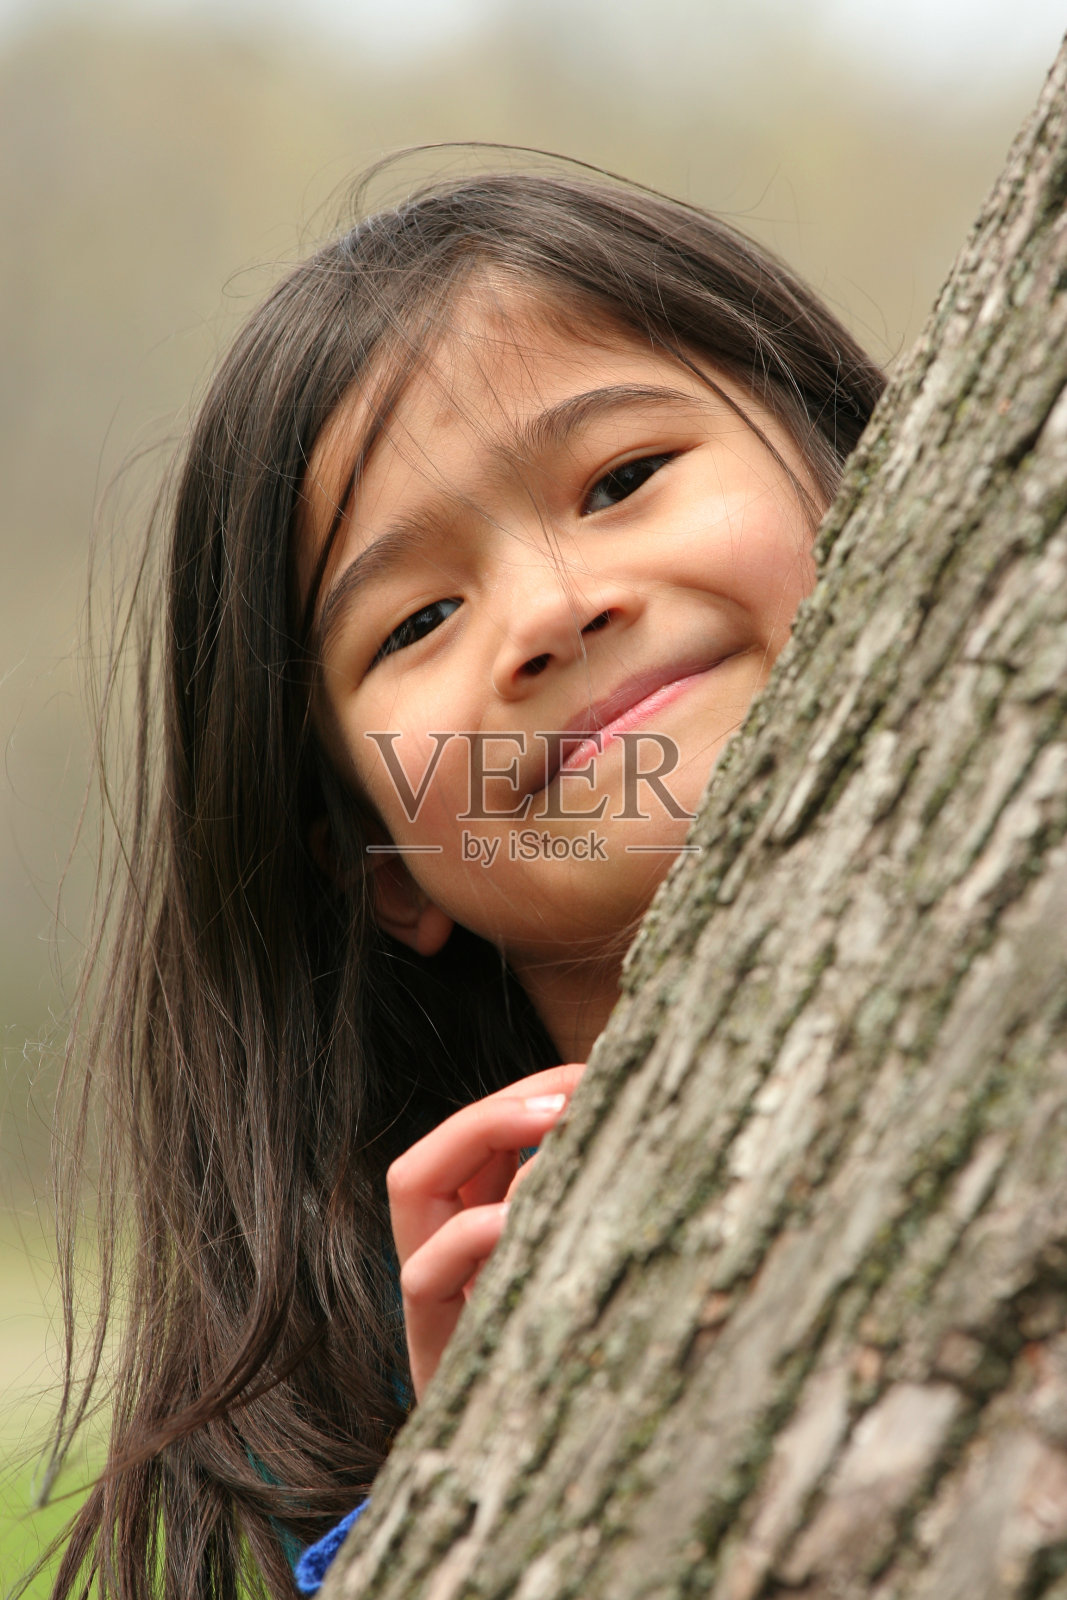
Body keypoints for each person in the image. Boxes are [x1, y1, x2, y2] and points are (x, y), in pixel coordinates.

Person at [45, 165, 883, 1599]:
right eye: (419, 618)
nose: (553, 612)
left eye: (622, 480)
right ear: (380, 870)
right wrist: (499, 1504)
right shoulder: (403, 1473)